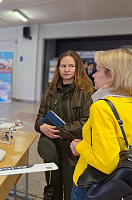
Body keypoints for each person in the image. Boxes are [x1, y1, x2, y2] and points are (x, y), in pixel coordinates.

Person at [70, 47, 132, 200]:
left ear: (111, 75)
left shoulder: (102, 107)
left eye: (97, 71)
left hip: (94, 185)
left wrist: (80, 146)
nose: (93, 75)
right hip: (122, 184)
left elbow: (104, 162)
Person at [35, 51, 94, 200]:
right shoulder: (51, 90)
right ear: (58, 68)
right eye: (63, 66)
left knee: (70, 190)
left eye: (71, 66)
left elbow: (85, 123)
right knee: (53, 188)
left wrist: (59, 131)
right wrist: (41, 126)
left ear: (78, 68)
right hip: (52, 150)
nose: (66, 69)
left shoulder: (86, 92)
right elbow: (40, 117)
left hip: (72, 151)